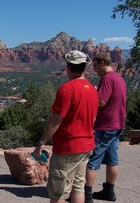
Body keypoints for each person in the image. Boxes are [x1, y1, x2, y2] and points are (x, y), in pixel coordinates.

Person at [33, 50, 99, 203]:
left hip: (68, 148)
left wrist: (41, 143)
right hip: (87, 146)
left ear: (68, 67)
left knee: (58, 194)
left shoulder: (67, 89)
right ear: (83, 67)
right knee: (78, 187)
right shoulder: (92, 90)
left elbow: (55, 121)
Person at [85, 53, 127, 203]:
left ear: (102, 63)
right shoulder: (118, 78)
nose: (94, 69)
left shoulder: (107, 79)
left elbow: (101, 102)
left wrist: (93, 93)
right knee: (112, 160)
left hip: (106, 125)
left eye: (95, 66)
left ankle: (87, 195)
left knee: (93, 160)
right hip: (117, 124)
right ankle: (109, 191)